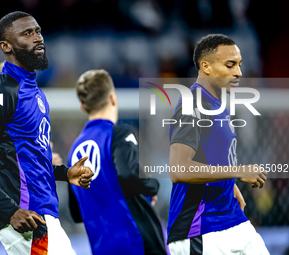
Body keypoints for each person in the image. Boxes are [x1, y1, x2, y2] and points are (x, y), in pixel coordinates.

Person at [0, 11, 93, 255]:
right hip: (27, 216)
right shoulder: (0, 91)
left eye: (38, 31)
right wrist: (10, 210)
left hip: (43, 212)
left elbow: (26, 161)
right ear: (6, 46)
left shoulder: (36, 93)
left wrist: (66, 173)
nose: (37, 38)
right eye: (27, 33)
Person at [167, 34, 269, 254]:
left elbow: (209, 157)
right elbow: (179, 168)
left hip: (231, 218)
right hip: (201, 228)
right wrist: (237, 172)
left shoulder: (217, 104)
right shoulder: (192, 103)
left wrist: (230, 184)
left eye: (240, 65)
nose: (239, 72)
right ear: (206, 66)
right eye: (230, 65)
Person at [68, 69, 169, 255]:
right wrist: (151, 186)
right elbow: (128, 176)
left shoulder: (74, 151)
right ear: (113, 98)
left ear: (83, 107)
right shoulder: (120, 135)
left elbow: (76, 211)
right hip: (137, 241)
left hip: (102, 247)